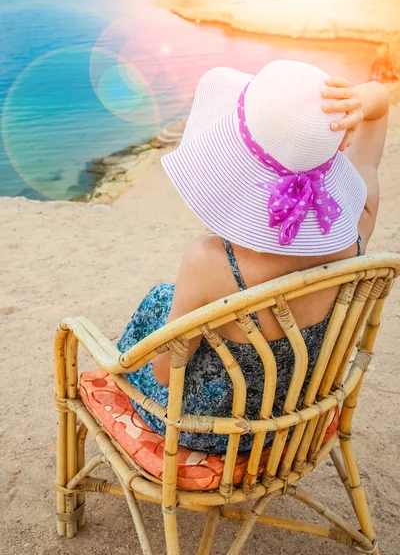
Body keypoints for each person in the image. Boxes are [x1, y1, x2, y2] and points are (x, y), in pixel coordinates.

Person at [118, 60, 390, 453]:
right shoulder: (359, 223)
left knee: (160, 308)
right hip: (297, 416)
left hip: (211, 430)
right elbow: (378, 107)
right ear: (339, 144)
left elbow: (164, 373)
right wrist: (359, 101)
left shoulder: (208, 261)